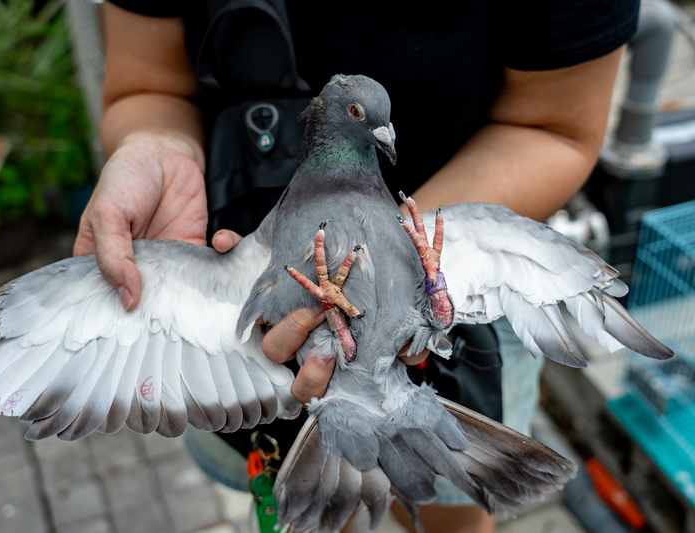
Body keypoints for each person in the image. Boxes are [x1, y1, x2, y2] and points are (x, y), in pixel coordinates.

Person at [73, 2, 637, 531]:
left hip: (464, 311)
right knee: (314, 509)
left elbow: (556, 128)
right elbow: (148, 85)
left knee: (447, 511)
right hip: (241, 322)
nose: (385, 135)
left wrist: (397, 262)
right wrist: (158, 150)